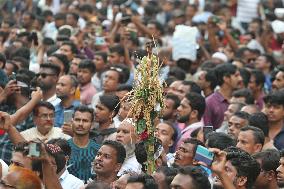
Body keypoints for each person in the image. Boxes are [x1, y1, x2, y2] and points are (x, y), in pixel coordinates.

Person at [66, 106, 100, 183]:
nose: (80, 124)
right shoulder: (63, 148)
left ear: (92, 124)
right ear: (72, 122)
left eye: (85, 121)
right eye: (77, 120)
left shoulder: (99, 150)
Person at [203, 63, 242, 129]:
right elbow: (207, 128)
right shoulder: (210, 102)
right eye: (236, 75)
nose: (240, 79)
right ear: (226, 78)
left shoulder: (240, 98)